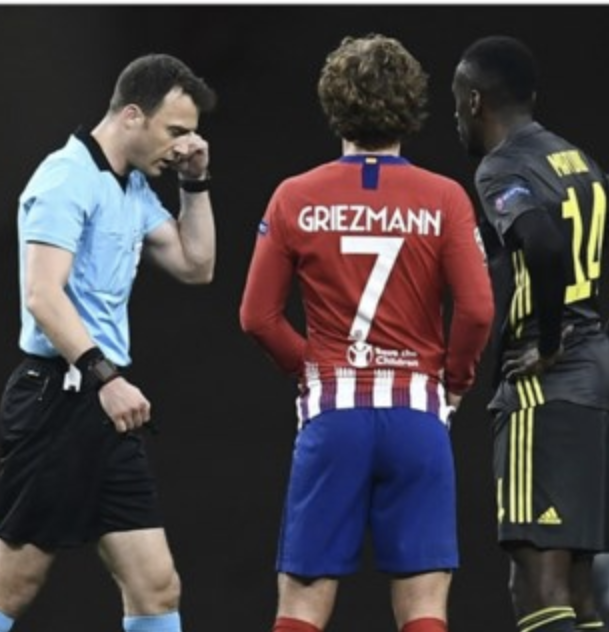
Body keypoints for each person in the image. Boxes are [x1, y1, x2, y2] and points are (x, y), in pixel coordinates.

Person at [240, 33, 494, 632]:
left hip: (334, 415)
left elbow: (257, 317)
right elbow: (478, 310)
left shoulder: (295, 197)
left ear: (334, 104)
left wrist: (312, 370)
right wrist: (455, 383)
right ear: (410, 105)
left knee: (302, 603)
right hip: (416, 417)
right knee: (424, 602)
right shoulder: (444, 198)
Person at [0, 53, 217, 632]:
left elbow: (197, 264)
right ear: (131, 116)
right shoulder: (66, 178)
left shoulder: (133, 188)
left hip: (104, 405)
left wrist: (195, 182)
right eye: (175, 130)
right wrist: (108, 378)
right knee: (13, 584)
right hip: (59, 398)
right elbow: (42, 295)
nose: (183, 145)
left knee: (155, 586)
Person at [452, 34, 609, 632]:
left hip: (545, 387)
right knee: (580, 588)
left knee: (536, 582)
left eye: (455, 100)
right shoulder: (579, 161)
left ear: (473, 100)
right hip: (594, 378)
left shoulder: (502, 167)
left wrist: (546, 341)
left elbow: (539, 241)